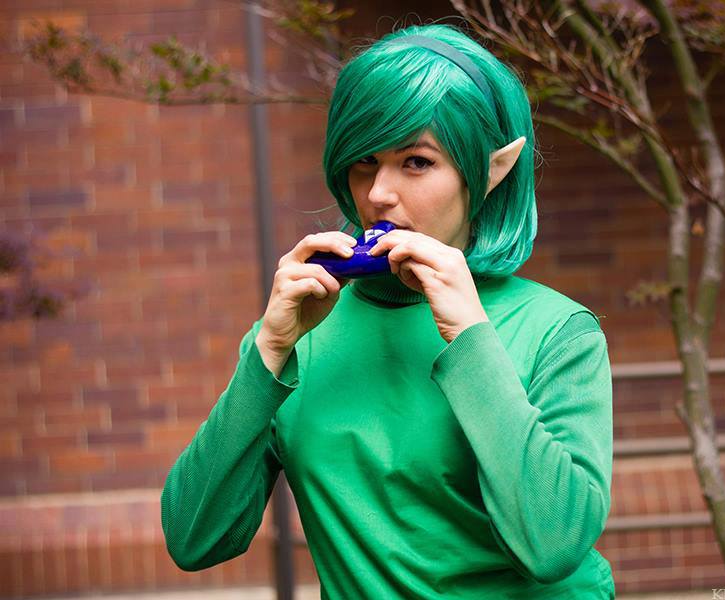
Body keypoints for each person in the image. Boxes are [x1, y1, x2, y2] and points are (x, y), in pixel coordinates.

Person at [161, 22, 614, 599]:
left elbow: (554, 545)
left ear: (491, 170)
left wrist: (471, 337)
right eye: (364, 161)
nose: (378, 193)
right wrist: (267, 351)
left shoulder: (558, 332)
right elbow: (193, 540)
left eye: (417, 161)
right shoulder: (299, 333)